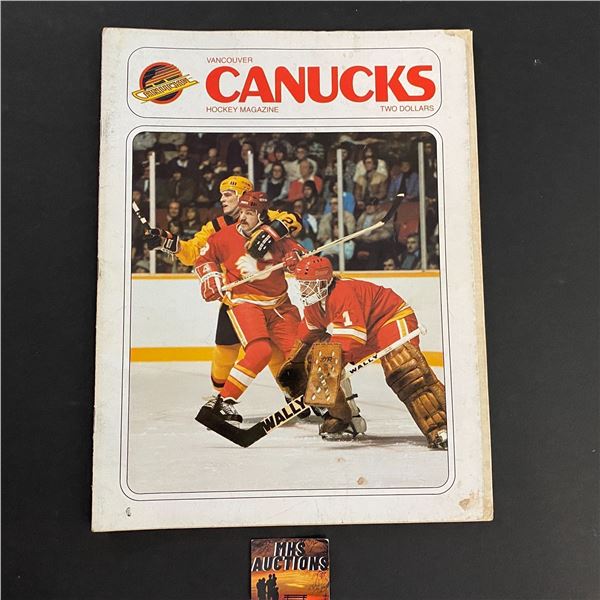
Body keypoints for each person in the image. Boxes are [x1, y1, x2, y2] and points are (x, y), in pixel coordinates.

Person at [144, 176, 302, 401]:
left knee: (277, 350)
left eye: (228, 194)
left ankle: (292, 393)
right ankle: (218, 396)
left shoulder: (266, 216)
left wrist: (272, 231)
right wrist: (165, 241)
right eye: (221, 194)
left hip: (273, 301)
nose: (222, 199)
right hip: (238, 301)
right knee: (226, 350)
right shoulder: (216, 226)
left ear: (244, 195)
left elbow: (294, 219)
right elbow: (193, 253)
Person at [288, 255, 447, 449]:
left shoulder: (342, 292)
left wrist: (326, 370)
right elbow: (308, 335)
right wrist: (298, 365)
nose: (303, 290)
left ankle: (443, 426)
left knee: (405, 370)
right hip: (366, 331)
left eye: (308, 285)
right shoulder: (313, 306)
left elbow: (351, 340)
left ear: (323, 283)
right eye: (302, 285)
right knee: (318, 358)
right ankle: (344, 418)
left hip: (390, 318)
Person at [194, 192, 305, 423]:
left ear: (262, 215)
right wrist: (210, 277)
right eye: (241, 212)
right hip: (245, 303)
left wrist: (296, 259)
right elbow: (203, 259)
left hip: (280, 306)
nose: (242, 218)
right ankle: (223, 402)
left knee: (299, 353)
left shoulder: (277, 237)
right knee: (259, 352)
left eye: (250, 213)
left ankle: (299, 394)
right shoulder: (224, 237)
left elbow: (303, 258)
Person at [352, 198, 394, 270]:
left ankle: (371, 270)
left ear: (377, 206)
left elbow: (387, 231)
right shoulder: (363, 215)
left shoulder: (383, 215)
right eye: (367, 205)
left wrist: (372, 237)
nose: (368, 207)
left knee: (375, 250)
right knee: (353, 248)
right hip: (363, 240)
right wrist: (362, 236)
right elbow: (358, 229)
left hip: (377, 241)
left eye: (371, 205)